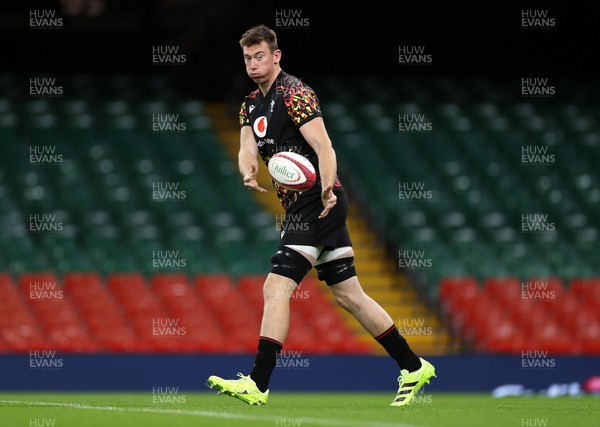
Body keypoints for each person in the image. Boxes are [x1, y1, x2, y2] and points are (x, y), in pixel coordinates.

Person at [207, 24, 436, 407]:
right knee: (349, 296)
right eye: (247, 58)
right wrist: (247, 168)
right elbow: (247, 146)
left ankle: (258, 383)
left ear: (276, 55)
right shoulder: (250, 104)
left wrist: (328, 187)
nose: (253, 64)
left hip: (317, 201)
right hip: (300, 205)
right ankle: (413, 367)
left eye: (260, 56)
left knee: (275, 286)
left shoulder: (296, 94)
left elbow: (324, 146)